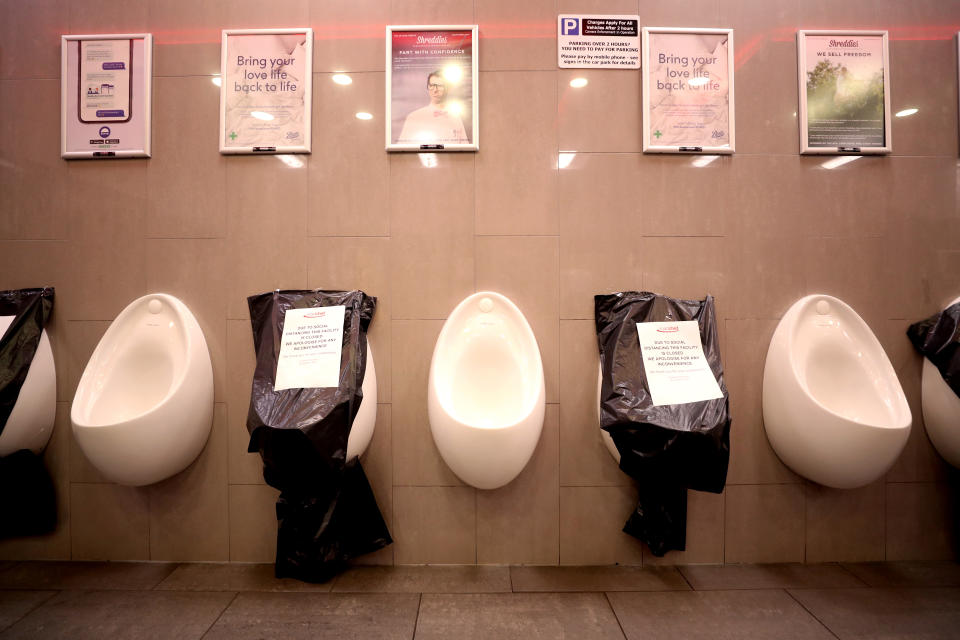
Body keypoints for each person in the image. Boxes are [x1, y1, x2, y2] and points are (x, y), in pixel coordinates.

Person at [397, 70, 468, 144]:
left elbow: (465, 150)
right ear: (428, 87)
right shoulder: (413, 117)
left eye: (440, 86)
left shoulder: (456, 118)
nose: (435, 90)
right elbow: (401, 150)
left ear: (448, 88)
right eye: (432, 85)